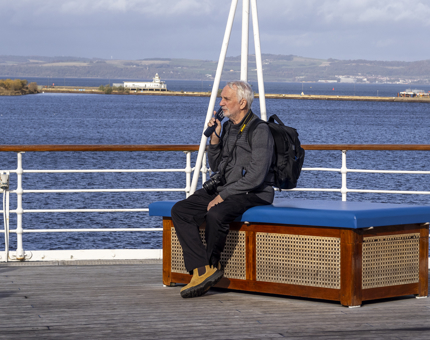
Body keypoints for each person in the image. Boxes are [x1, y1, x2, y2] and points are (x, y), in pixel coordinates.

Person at [171, 80, 275, 298]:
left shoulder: (260, 130)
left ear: (243, 103)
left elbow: (256, 176)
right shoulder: (228, 127)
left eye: (226, 99)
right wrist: (216, 138)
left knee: (216, 213)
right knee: (181, 210)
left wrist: (223, 195)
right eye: (222, 98)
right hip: (226, 186)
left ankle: (212, 264)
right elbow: (217, 166)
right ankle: (202, 270)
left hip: (254, 192)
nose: (221, 103)